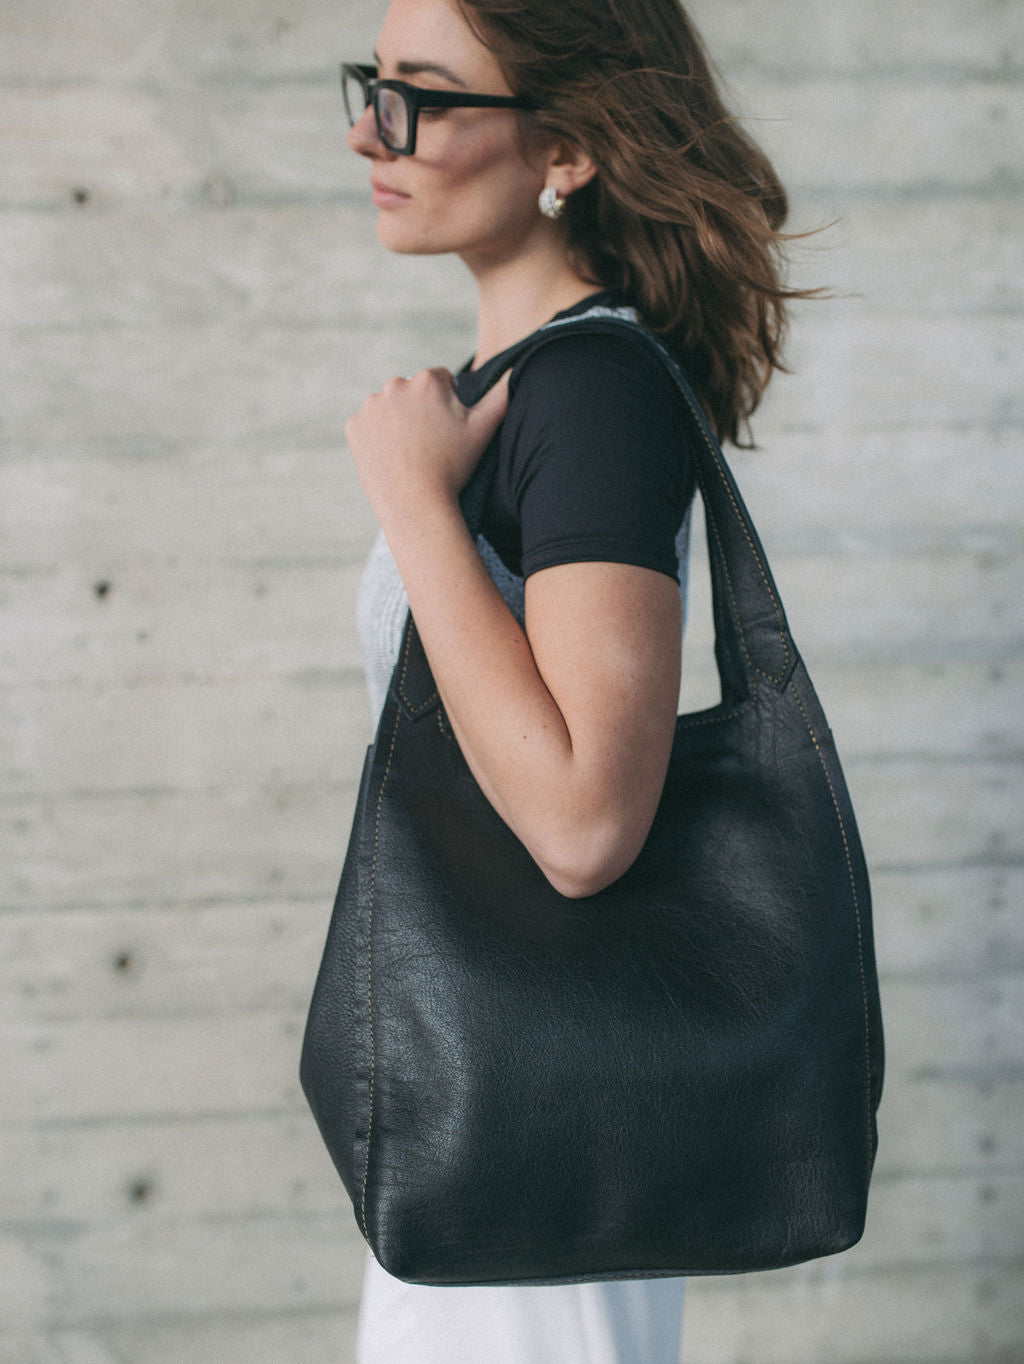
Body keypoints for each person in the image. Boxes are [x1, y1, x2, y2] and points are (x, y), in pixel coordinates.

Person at [339, 0, 803, 1357]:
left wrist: (415, 505)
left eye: (423, 94)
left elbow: (587, 822)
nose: (373, 128)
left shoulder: (588, 393)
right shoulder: (513, 387)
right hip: (489, 1114)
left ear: (571, 144)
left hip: (535, 1142)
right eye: (372, 81)